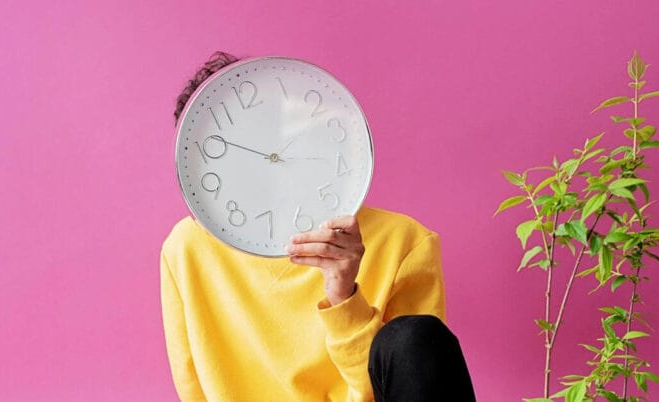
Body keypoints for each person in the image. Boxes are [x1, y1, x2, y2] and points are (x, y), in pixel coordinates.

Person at [161, 51, 476, 402]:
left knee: (414, 335)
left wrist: (344, 297)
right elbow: (193, 388)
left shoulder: (405, 242)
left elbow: (410, 385)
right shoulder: (186, 249)